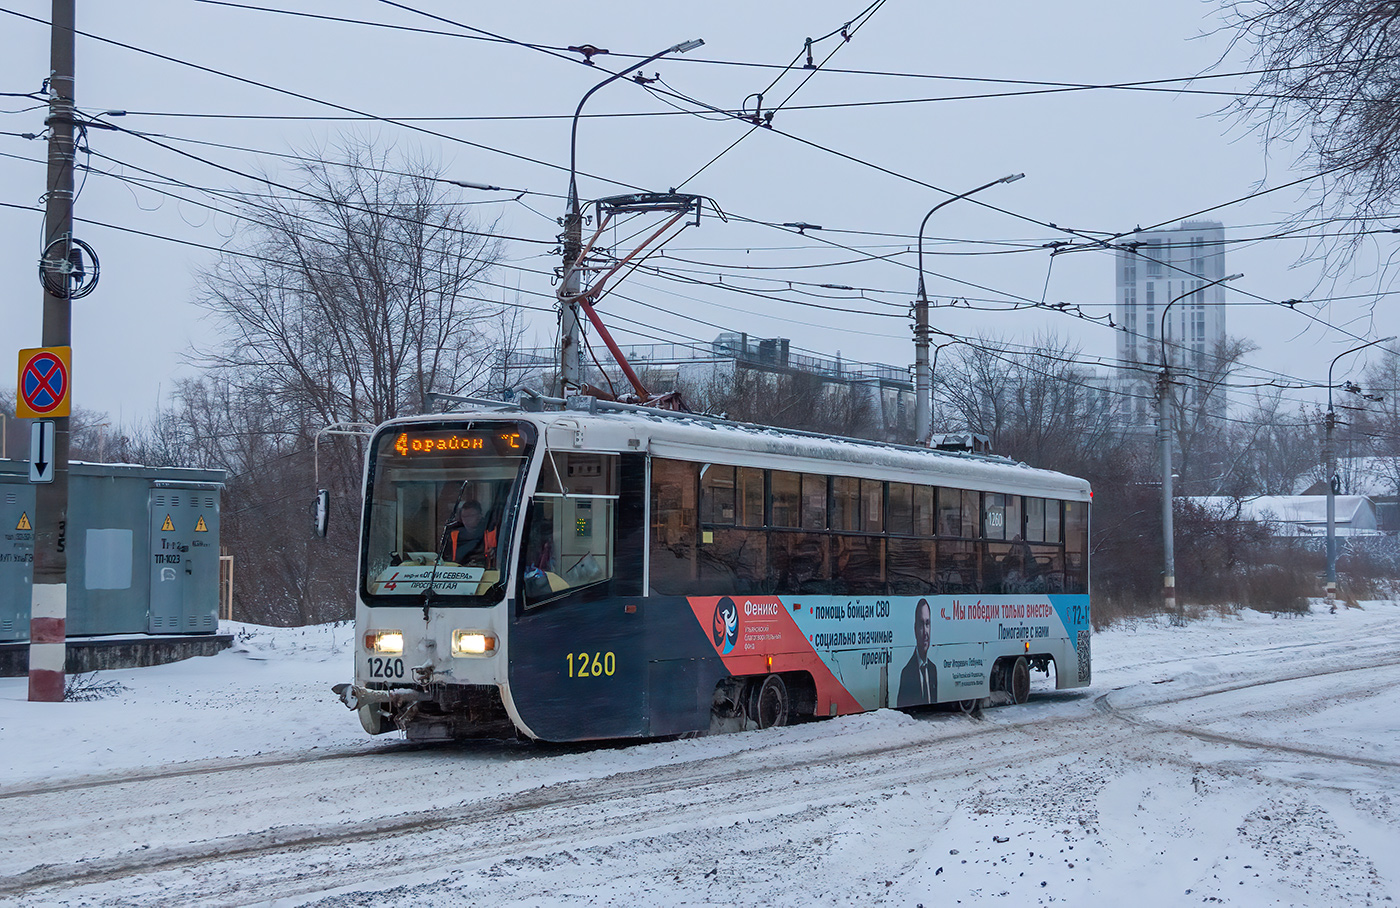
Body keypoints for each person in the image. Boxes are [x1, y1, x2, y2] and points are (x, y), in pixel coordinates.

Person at [897, 598, 936, 707]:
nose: (925, 632)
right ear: (915, 629)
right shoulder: (906, 673)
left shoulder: (933, 669)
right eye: (921, 624)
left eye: (927, 624)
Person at [442, 500, 494, 565]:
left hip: (484, 569)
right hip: (458, 569)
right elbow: (446, 558)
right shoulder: (453, 534)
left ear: (479, 516)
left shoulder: (490, 531)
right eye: (464, 516)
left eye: (471, 516)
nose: (467, 519)